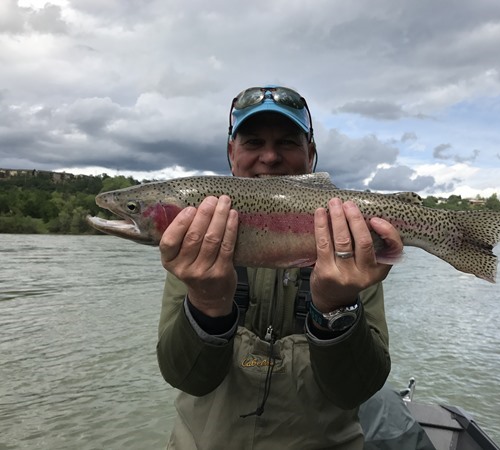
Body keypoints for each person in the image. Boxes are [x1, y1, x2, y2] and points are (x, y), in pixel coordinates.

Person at [156, 86, 404, 449]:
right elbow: (187, 378)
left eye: (287, 143)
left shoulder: (350, 247)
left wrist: (334, 307)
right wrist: (207, 303)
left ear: (311, 155)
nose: (269, 157)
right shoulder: (196, 244)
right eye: (253, 142)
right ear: (231, 153)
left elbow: (357, 389)